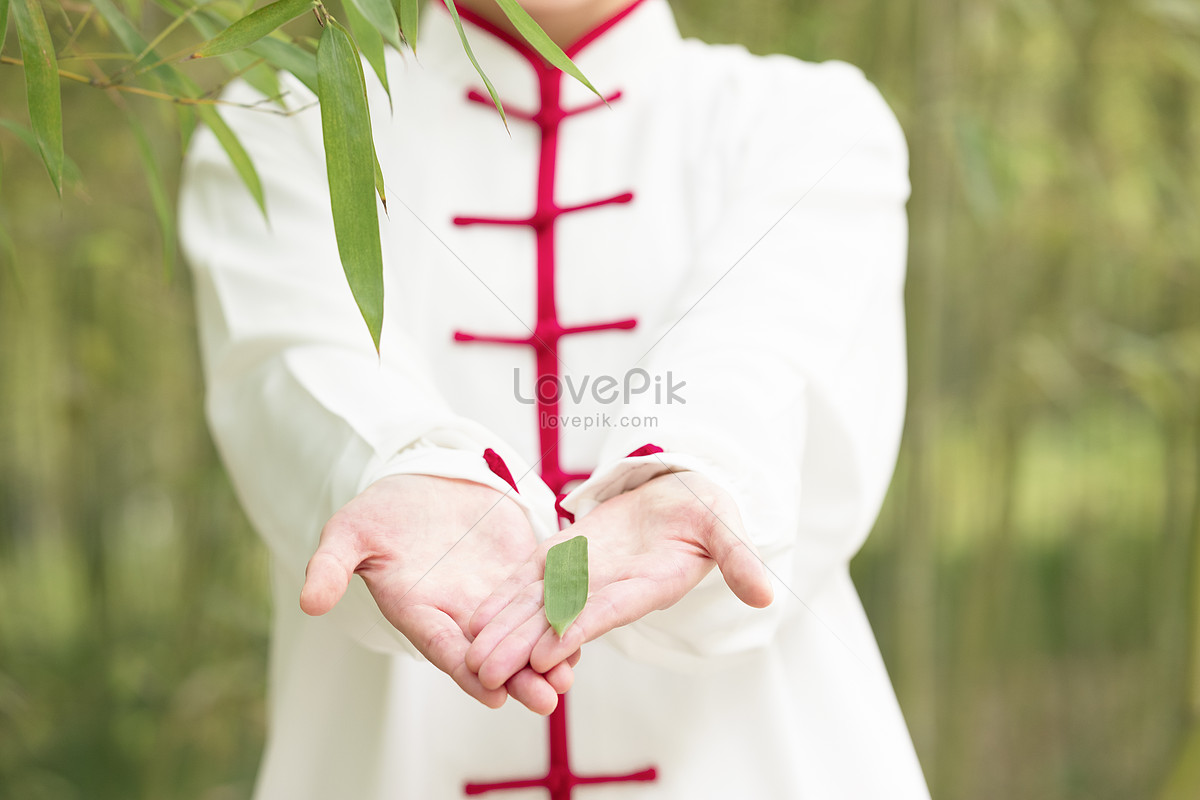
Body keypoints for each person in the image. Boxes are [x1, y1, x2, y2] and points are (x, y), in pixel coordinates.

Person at [178, 0, 931, 797]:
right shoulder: (288, 125)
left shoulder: (806, 124)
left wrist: (694, 472)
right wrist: (398, 468)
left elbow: (766, 361)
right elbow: (298, 375)